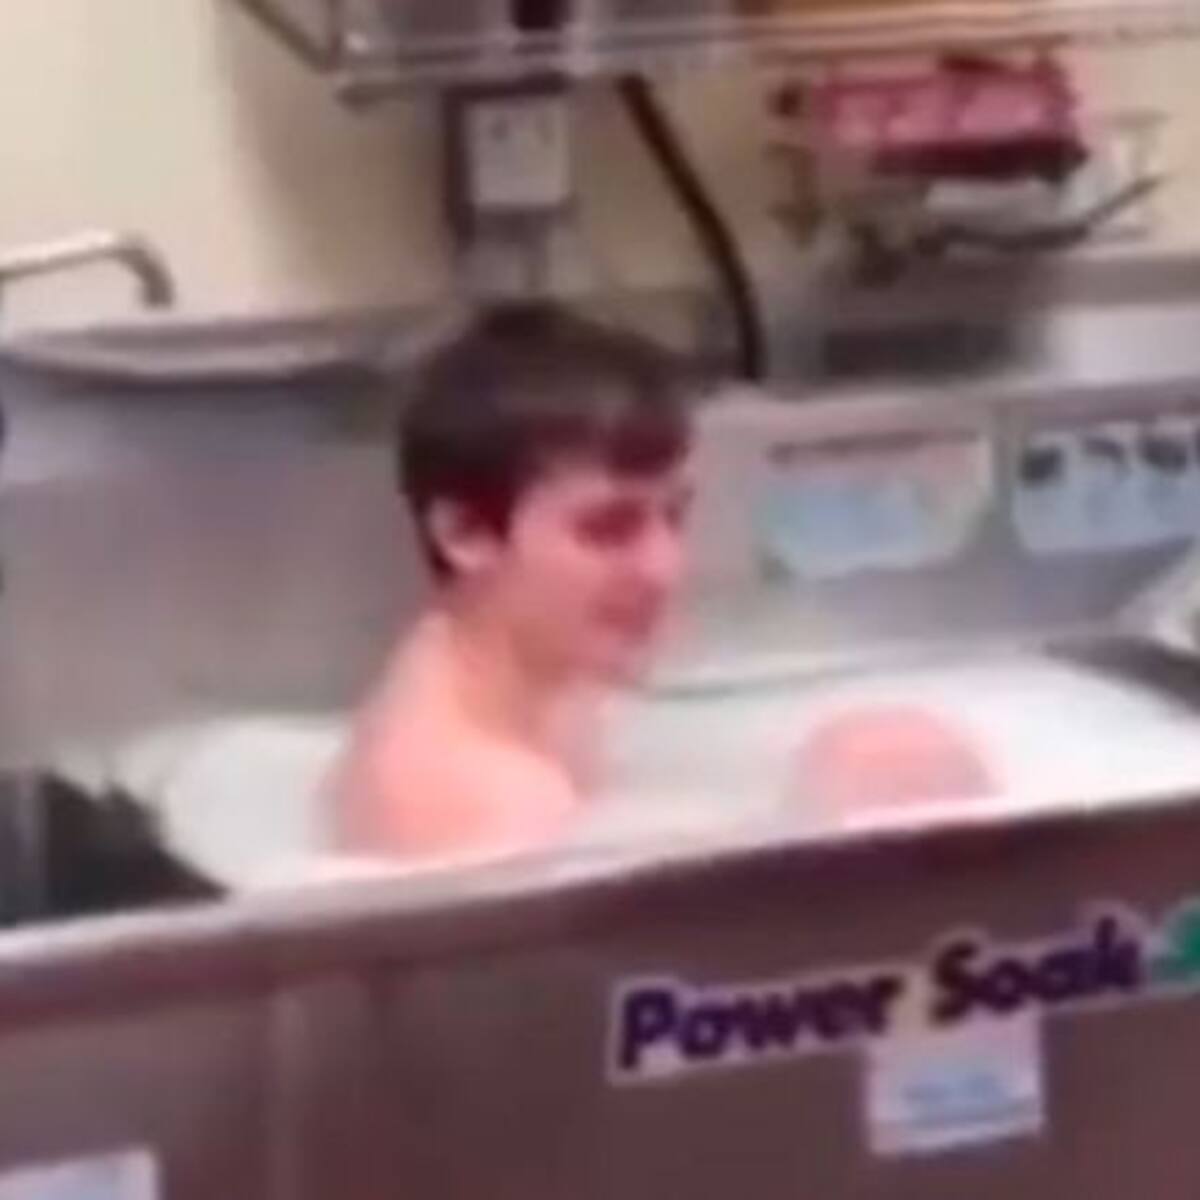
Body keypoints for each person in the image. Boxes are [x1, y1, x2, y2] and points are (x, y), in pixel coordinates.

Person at [332, 303, 698, 860]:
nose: (664, 567)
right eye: (607, 528)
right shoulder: (494, 806)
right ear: (465, 534)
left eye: (675, 517)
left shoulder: (535, 684)